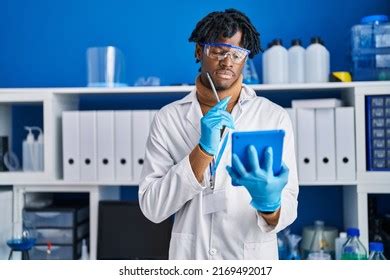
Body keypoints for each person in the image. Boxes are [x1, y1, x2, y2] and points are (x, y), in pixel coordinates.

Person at [139, 8, 298, 260]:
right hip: (192, 258)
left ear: (246, 58)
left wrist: (270, 206)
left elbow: (289, 202)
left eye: (237, 53)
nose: (228, 61)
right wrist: (201, 153)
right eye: (218, 51)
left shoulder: (273, 116)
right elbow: (152, 207)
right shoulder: (168, 118)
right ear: (199, 51)